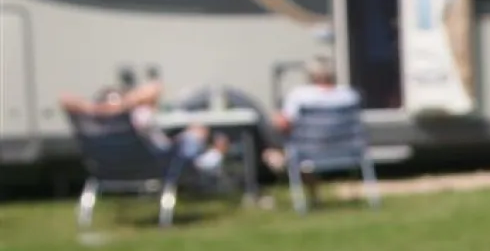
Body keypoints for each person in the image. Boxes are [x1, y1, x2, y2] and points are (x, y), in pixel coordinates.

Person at [59, 79, 230, 176]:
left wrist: (102, 109)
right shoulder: (134, 115)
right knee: (197, 133)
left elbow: (65, 99)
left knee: (190, 138)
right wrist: (121, 106)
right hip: (158, 163)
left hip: (110, 168)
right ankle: (214, 158)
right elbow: (155, 86)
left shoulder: (97, 124)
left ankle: (213, 157)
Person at [264, 57, 363, 203]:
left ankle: (312, 196)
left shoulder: (300, 95)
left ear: (311, 76)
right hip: (346, 149)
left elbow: (284, 124)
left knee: (274, 152)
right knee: (299, 154)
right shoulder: (349, 95)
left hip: (309, 150)